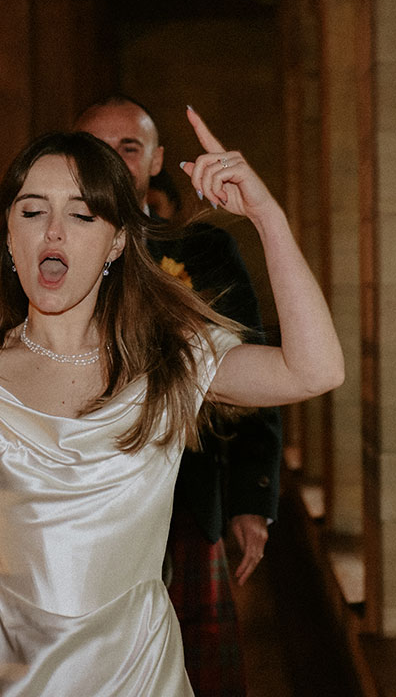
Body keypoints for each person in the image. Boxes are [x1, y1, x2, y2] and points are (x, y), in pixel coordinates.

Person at [0, 106, 343, 696]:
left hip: (136, 677)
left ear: (115, 244)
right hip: (5, 677)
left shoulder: (168, 360)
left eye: (82, 215)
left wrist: (267, 218)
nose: (53, 232)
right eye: (32, 212)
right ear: (10, 237)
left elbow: (314, 369)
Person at [75, 95, 283, 694]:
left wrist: (251, 495)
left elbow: (253, 368)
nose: (113, 160)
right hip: (83, 506)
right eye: (97, 148)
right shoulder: (49, 251)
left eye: (129, 147)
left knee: (193, 666)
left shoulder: (202, 250)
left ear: (157, 159)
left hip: (184, 492)